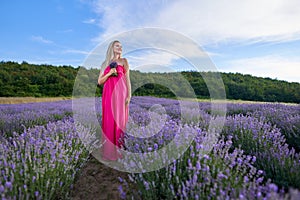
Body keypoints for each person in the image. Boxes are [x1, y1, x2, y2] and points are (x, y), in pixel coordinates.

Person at [97, 40, 131, 161]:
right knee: (109, 120)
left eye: (121, 46)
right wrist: (110, 73)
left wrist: (129, 95)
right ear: (112, 47)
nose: (120, 48)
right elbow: (100, 81)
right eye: (117, 46)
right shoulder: (105, 63)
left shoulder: (124, 61)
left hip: (121, 94)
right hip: (108, 94)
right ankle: (109, 153)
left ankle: (120, 152)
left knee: (120, 121)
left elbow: (127, 79)